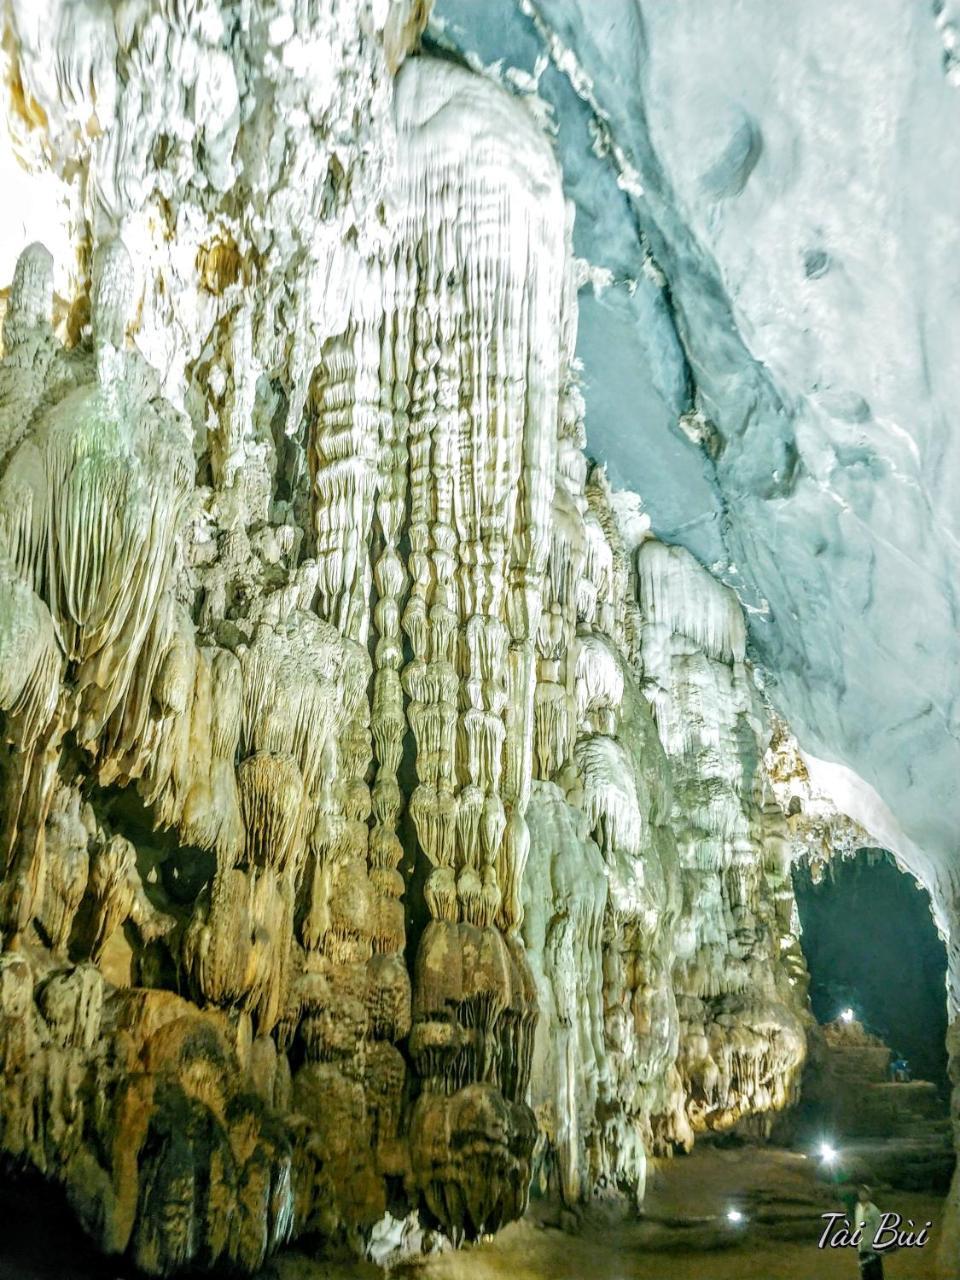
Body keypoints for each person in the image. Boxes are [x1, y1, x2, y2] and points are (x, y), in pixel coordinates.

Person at [855, 1185, 884, 1279]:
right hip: (862, 1249)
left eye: (864, 1192)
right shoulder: (858, 1208)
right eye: (860, 1192)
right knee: (865, 1275)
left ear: (869, 1195)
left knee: (875, 1275)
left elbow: (879, 1229)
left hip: (872, 1250)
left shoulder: (874, 1210)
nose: (862, 1194)